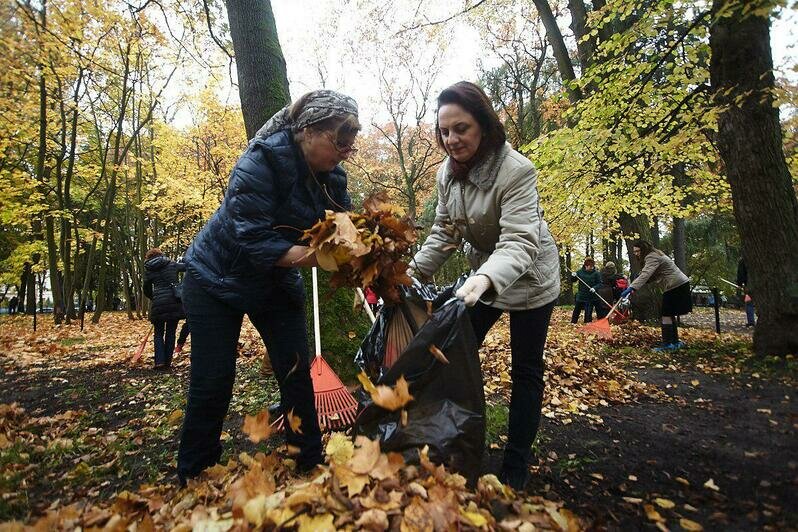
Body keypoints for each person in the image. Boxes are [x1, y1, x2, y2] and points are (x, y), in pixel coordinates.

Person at [177, 89, 360, 485]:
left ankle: (308, 459)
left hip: (275, 280)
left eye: (351, 143)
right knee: (214, 378)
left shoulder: (333, 177)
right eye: (339, 140)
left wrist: (363, 244)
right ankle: (194, 472)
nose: (346, 151)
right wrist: (322, 257)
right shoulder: (259, 162)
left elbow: (342, 224)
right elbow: (253, 239)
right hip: (215, 279)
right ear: (308, 130)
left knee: (296, 371)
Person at [410, 81, 560, 490]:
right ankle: (449, 440)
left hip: (528, 276)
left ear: (484, 125)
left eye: (461, 128)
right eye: (444, 131)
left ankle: (516, 464)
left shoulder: (516, 170)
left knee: (525, 369)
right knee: (452, 356)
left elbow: (520, 241)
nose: (451, 139)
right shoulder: (448, 172)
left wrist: (484, 278)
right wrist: (410, 274)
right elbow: (444, 231)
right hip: (480, 281)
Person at [621, 239, 692, 350]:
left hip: (675, 285)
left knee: (665, 314)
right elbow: (654, 275)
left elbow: (646, 274)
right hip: (679, 283)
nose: (636, 254)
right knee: (670, 314)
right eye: (634, 252)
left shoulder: (651, 256)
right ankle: (674, 342)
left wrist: (631, 287)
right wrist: (638, 285)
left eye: (637, 251)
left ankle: (668, 345)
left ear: (644, 249)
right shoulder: (657, 254)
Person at [143, 248, 186, 369]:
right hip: (174, 301)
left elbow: (146, 289)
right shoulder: (172, 264)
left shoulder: (149, 270)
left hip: (158, 303)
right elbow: (187, 267)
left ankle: (159, 361)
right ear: (161, 255)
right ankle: (168, 362)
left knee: (158, 333)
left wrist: (154, 297)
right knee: (171, 332)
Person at [570, 258, 601, 323]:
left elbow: (600, 283)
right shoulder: (579, 272)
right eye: (590, 266)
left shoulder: (596, 273)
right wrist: (573, 276)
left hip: (591, 296)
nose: (591, 268)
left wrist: (594, 288)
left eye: (592, 266)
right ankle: (573, 322)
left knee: (588, 312)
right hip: (581, 295)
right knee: (577, 310)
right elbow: (573, 280)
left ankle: (587, 323)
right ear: (586, 266)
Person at [736, 258, 755, 327]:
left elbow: (740, 273)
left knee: (749, 303)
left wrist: (739, 284)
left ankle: (751, 321)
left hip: (749, 284)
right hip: (761, 283)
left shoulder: (743, 260)